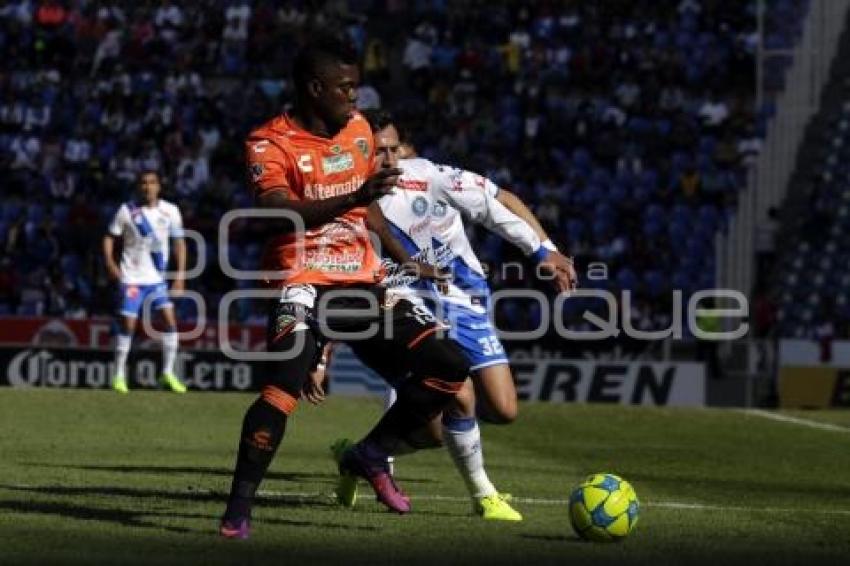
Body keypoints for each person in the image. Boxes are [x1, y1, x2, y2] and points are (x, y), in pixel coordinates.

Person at [219, 32, 474, 539]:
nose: (355, 98)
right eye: (346, 88)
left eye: (356, 88)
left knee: (449, 366)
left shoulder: (358, 130)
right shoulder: (268, 142)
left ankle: (371, 453)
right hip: (301, 279)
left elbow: (368, 211)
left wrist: (409, 261)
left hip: (363, 280)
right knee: (282, 389)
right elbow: (273, 212)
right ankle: (237, 513)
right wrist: (350, 197)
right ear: (316, 89)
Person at [305, 110, 576, 521]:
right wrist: (321, 353)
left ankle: (357, 456)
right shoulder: (349, 198)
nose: (390, 160)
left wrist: (540, 250)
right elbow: (335, 277)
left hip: (460, 298)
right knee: (446, 409)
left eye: (394, 149)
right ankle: (482, 494)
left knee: (503, 409)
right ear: (360, 153)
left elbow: (494, 205)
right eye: (379, 152)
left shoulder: (427, 175)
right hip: (401, 305)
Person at [102, 170, 187, 394]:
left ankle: (167, 374)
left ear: (159, 186)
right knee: (128, 324)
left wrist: (180, 276)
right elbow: (109, 237)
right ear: (138, 186)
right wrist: (110, 264)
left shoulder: (171, 211)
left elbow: (179, 244)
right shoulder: (127, 211)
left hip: (157, 279)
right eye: (143, 183)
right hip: (131, 277)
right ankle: (119, 377)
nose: (147, 187)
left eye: (152, 182)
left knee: (170, 321)